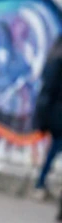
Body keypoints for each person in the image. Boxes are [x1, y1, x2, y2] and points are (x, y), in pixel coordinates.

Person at [33, 36, 62, 204]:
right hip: (58, 115)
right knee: (55, 149)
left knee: (54, 149)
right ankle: (40, 183)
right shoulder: (58, 64)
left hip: (54, 114)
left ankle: (41, 182)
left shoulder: (53, 61)